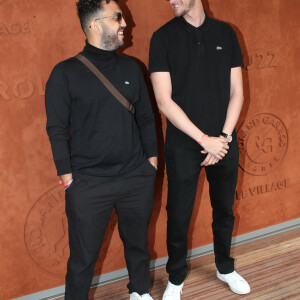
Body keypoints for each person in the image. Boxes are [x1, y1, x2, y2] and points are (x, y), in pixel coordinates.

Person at [45, 1, 158, 299]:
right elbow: (56, 129)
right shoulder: (64, 74)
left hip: (136, 176)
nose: (125, 24)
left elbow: (147, 118)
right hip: (88, 183)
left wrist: (151, 164)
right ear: (95, 25)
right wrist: (67, 177)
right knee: (82, 261)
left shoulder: (133, 68)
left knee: (138, 245)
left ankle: (140, 291)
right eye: (117, 17)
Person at [149, 0, 250, 298]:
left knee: (224, 210)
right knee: (178, 214)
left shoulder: (226, 33)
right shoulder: (162, 38)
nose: (171, 0)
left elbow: (237, 92)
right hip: (184, 144)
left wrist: (223, 138)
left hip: (224, 141)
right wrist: (205, 140)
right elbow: (164, 101)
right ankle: (176, 278)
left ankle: (225, 267)